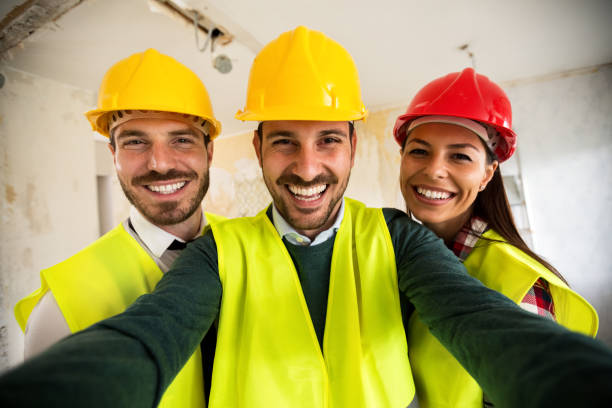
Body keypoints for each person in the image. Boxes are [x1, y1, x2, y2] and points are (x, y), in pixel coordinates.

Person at [2, 27, 612, 408]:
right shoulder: (221, 250)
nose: (307, 166)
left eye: (328, 140)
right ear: (258, 148)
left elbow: (475, 318)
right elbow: (150, 334)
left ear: (355, 146)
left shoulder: (398, 237)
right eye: (284, 141)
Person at [13, 48, 222, 408]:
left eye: (182, 139)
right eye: (136, 142)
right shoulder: (60, 308)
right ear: (114, 156)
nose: (159, 164)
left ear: (210, 152)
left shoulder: (249, 248)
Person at [393, 67, 599, 408]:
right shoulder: (390, 252)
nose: (433, 170)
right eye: (419, 151)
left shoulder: (520, 285)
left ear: (487, 174)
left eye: (459, 156)